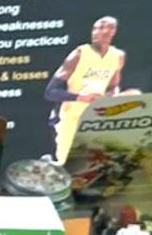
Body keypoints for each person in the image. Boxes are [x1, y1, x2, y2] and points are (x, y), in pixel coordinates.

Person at [44, 16, 130, 161]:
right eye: (95, 28)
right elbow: (50, 92)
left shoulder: (117, 56)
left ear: (112, 31)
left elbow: (112, 87)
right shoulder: (79, 53)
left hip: (96, 118)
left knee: (98, 164)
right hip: (70, 117)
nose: (96, 32)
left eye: (102, 28)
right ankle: (49, 161)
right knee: (67, 163)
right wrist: (81, 97)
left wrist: (107, 99)